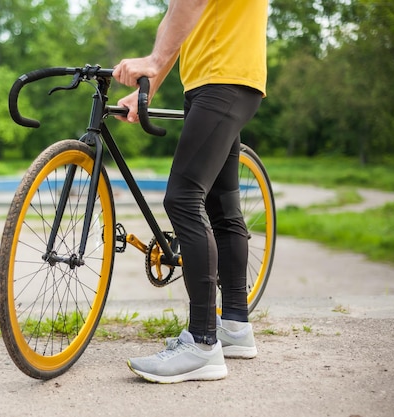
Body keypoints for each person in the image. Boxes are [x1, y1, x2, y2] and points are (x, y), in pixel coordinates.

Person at [113, 0, 268, 383]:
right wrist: (150, 83)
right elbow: (179, 16)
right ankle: (234, 327)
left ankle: (202, 344)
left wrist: (151, 61)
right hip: (219, 80)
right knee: (221, 204)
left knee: (183, 198)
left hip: (222, 80)